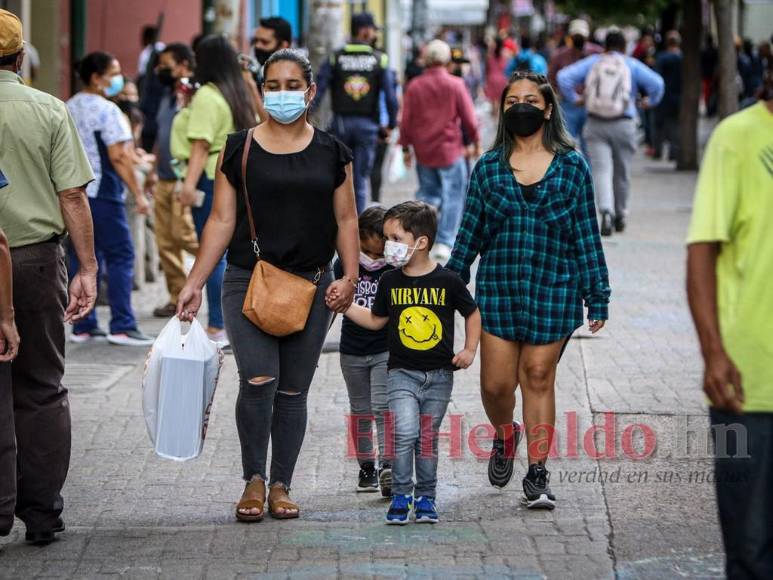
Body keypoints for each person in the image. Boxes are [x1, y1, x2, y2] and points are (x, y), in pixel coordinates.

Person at [177, 49, 359, 522]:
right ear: (261, 91)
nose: (282, 93)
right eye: (272, 85)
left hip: (314, 285)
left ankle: (282, 483)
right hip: (247, 281)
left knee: (294, 391)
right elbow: (220, 219)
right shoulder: (238, 148)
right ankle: (253, 479)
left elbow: (346, 218)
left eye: (291, 84)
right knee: (258, 380)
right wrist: (195, 282)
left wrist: (351, 277)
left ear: (310, 91)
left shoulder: (333, 152)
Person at [446, 71, 610, 510]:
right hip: (498, 290)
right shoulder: (488, 167)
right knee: (498, 385)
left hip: (555, 287)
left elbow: (585, 234)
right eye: (512, 99)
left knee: (537, 375)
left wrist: (598, 294)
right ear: (502, 110)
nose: (521, 106)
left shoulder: (573, 165)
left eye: (530, 100)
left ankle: (538, 473)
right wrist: (448, 280)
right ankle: (505, 435)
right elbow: (470, 232)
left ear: (548, 109)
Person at [0, 8, 98, 545]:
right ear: (20, 58)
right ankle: (40, 513)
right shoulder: (47, 109)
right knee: (39, 387)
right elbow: (72, 195)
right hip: (32, 260)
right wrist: (87, 266)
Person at [339, 201, 481, 525]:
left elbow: (472, 312)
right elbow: (376, 321)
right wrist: (344, 305)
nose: (388, 246)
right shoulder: (390, 281)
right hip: (400, 373)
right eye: (387, 237)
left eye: (395, 238)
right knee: (403, 432)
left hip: (441, 375)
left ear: (421, 242)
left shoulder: (448, 281)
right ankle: (402, 494)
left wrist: (470, 349)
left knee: (426, 438)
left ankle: (427, 497)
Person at [686, 65, 773, 580]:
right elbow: (701, 253)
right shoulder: (736, 138)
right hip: (747, 382)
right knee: (750, 550)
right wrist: (713, 352)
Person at [171, 35, 257, 345]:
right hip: (235, 175)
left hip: (210, 177)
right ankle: (229, 322)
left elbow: (200, 145)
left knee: (212, 252)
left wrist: (188, 186)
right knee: (228, 251)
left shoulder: (208, 95)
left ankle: (218, 325)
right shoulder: (235, 91)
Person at [67, 51, 154, 346]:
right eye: (113, 72)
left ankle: (83, 323)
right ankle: (122, 324)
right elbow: (118, 155)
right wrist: (139, 193)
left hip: (73, 192)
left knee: (83, 256)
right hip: (104, 191)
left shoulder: (67, 107)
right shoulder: (108, 110)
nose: (118, 78)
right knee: (121, 254)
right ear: (96, 77)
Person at [558, 30, 664, 236]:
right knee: (622, 171)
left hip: (595, 122)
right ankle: (621, 213)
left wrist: (576, 98)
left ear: (605, 47)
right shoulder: (631, 64)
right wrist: (650, 102)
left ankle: (605, 211)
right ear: (624, 47)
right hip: (624, 123)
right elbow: (657, 84)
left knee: (601, 169)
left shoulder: (594, 62)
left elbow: (564, 77)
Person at [399, 40, 480, 263]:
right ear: (446, 60)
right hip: (450, 149)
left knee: (428, 195)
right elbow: (469, 118)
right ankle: (445, 241)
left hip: (424, 150)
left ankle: (422, 237)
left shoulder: (415, 86)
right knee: (453, 195)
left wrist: (405, 147)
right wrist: (475, 141)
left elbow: (406, 121)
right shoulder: (455, 84)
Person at [335, 206, 393, 495]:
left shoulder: (393, 266)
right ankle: (366, 468)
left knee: (384, 408)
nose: (385, 243)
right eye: (381, 237)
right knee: (360, 411)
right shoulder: (344, 265)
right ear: (363, 236)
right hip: (352, 350)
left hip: (385, 349)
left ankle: (388, 466)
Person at [314, 12, 398, 213]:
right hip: (368, 126)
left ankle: (335, 224)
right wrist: (390, 125)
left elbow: (318, 89)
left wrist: (305, 116)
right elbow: (391, 97)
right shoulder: (379, 59)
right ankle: (357, 230)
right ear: (364, 31)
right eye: (373, 30)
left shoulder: (336, 57)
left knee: (337, 177)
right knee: (360, 181)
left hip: (340, 125)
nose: (375, 34)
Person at [149, 43, 200, 317]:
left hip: (183, 177)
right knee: (165, 241)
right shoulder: (167, 97)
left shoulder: (194, 95)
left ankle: (222, 263)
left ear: (182, 64)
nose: (160, 70)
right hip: (163, 179)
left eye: (166, 64)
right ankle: (175, 295)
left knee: (185, 235)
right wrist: (152, 172)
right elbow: (161, 135)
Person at [548, 19, 602, 148]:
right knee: (565, 145)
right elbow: (551, 78)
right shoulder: (560, 54)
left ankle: (586, 168)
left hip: (590, 104)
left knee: (588, 146)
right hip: (568, 105)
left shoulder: (597, 53)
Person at [653, 31, 682, 161]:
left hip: (663, 96)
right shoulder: (682, 57)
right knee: (675, 126)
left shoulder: (662, 57)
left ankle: (658, 150)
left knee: (659, 125)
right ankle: (674, 152)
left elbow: (656, 77)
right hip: (678, 96)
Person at [484, 37, 514, 116]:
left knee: (493, 105)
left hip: (492, 80)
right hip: (503, 81)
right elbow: (510, 69)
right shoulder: (506, 54)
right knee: (502, 105)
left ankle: (494, 123)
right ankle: (499, 124)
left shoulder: (489, 55)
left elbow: (487, 70)